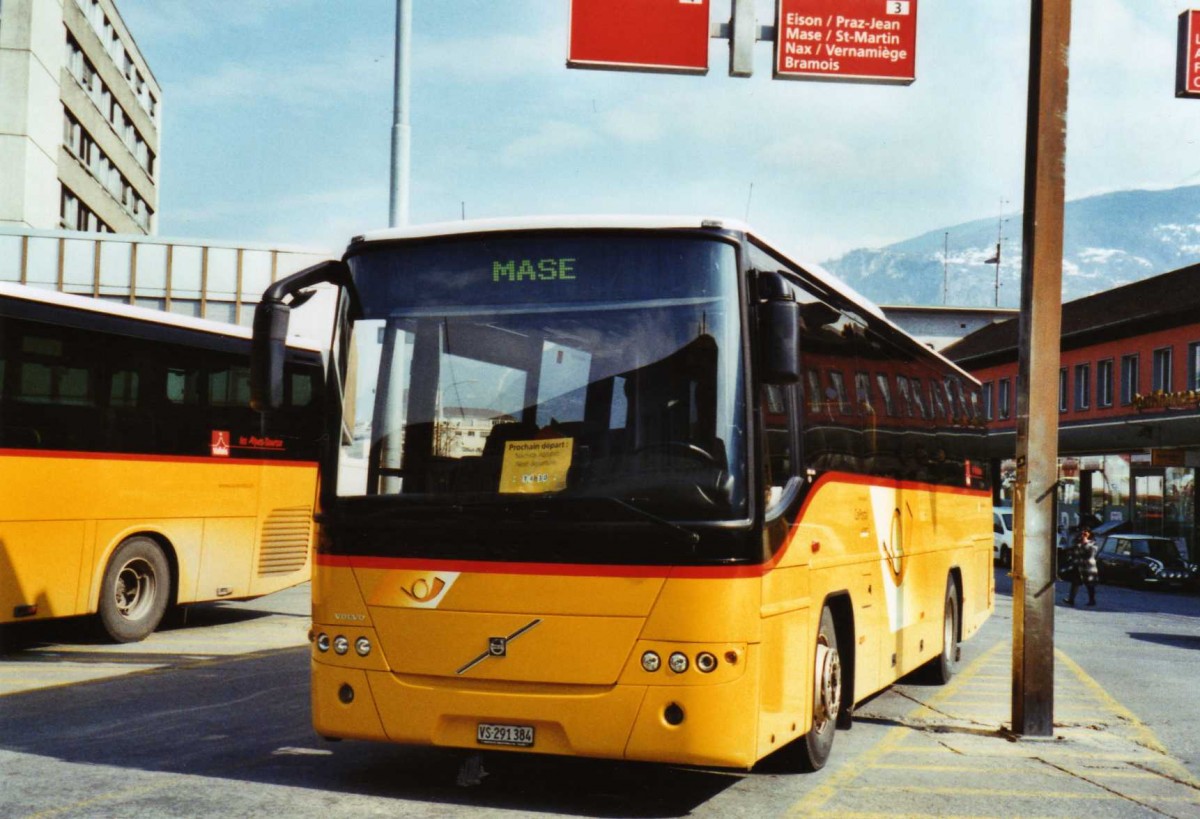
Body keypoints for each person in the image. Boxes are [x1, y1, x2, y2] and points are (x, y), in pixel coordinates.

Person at [1064, 525, 1099, 606]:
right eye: (1082, 532)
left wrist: (1085, 542)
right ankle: (1071, 599)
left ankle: (1092, 600)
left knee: (1090, 584)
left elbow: (1091, 553)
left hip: (1088, 567)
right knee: (1075, 583)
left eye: (1085, 533)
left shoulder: (1093, 543)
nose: (1083, 534)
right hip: (1078, 566)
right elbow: (1073, 552)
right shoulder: (1077, 542)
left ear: (1089, 534)